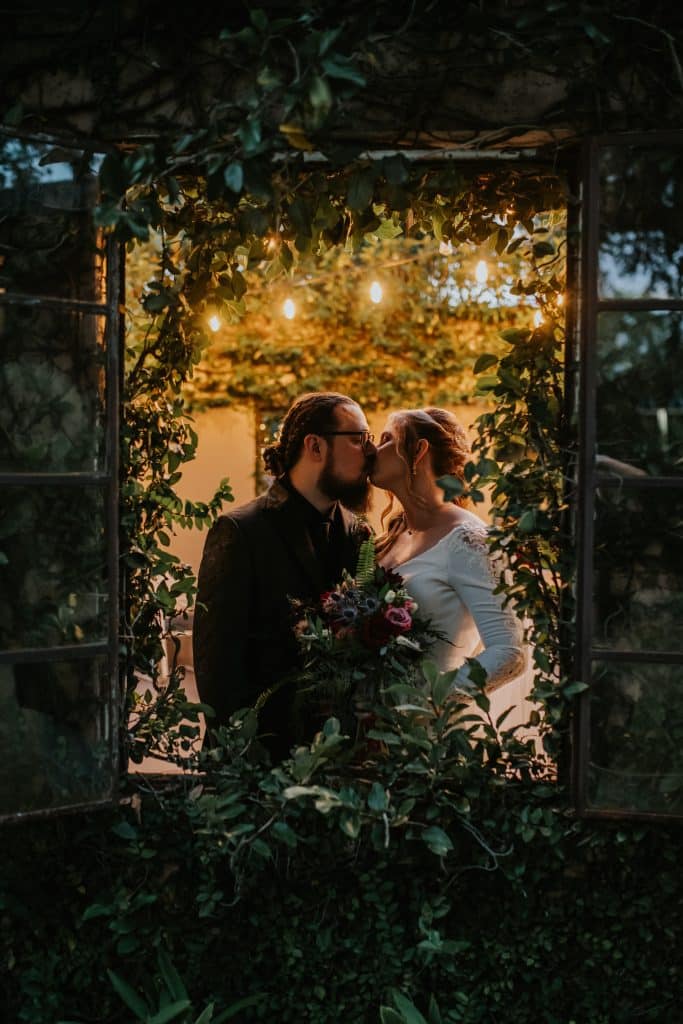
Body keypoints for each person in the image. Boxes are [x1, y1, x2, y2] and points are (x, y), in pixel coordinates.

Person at [193, 391, 376, 759]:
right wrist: (247, 753)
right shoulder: (239, 531)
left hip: (336, 757)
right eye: (359, 438)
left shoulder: (360, 534)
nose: (370, 451)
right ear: (315, 446)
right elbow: (216, 666)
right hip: (257, 759)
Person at [370, 407, 525, 692]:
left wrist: (428, 701)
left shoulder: (468, 540)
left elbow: (509, 652)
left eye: (386, 440)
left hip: (429, 729)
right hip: (371, 728)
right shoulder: (392, 536)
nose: (373, 450)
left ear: (418, 450)